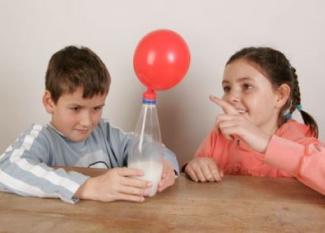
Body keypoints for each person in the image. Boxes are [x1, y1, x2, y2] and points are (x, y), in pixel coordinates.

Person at [0, 45, 179, 204]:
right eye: (76, 108)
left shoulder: (106, 134)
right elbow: (6, 169)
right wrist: (88, 187)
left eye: (96, 108)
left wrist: (164, 165)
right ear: (49, 102)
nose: (87, 122)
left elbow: (151, 147)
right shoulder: (41, 138)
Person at [184, 46, 325, 195]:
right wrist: (195, 166)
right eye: (227, 88)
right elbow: (195, 174)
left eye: (247, 86)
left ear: (280, 96)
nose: (231, 97)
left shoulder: (299, 141)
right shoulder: (219, 137)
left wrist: (264, 142)